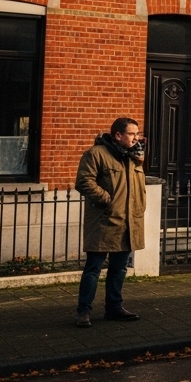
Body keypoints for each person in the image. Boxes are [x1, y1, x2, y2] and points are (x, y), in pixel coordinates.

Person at [74, 117, 147, 327]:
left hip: (128, 223)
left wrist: (138, 210)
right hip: (104, 222)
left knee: (120, 268)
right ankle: (83, 311)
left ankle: (114, 308)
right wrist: (107, 200)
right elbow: (83, 182)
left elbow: (137, 188)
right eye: (132, 134)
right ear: (118, 135)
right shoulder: (95, 154)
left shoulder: (132, 158)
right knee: (93, 268)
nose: (136, 138)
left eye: (137, 133)